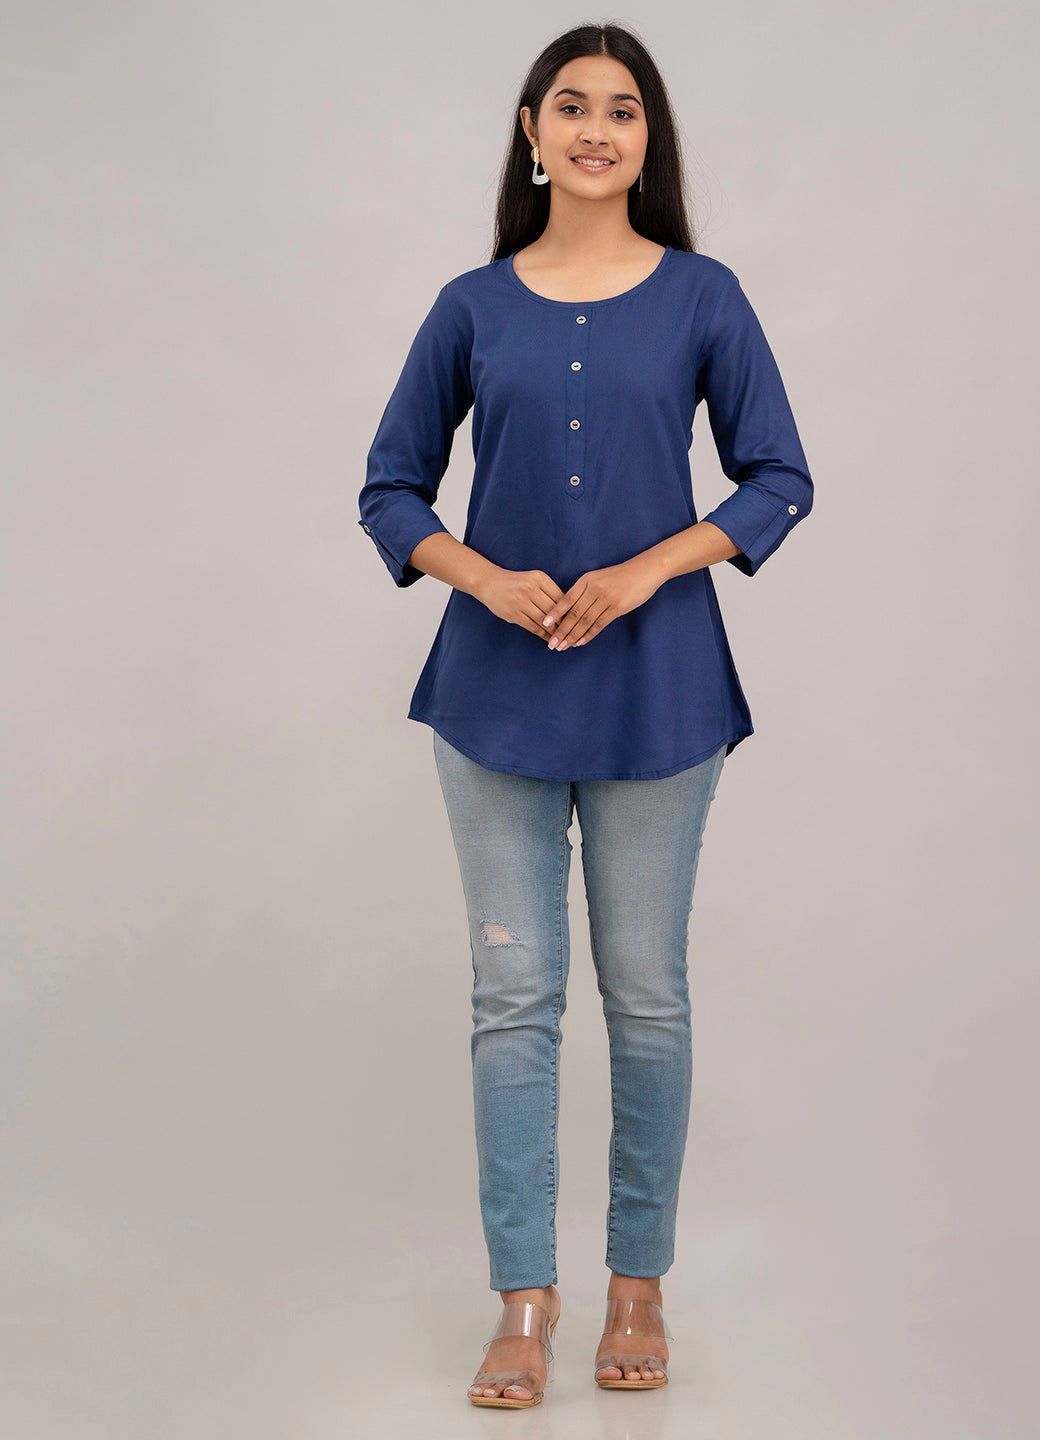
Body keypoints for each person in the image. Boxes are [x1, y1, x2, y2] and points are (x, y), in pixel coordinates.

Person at [358, 21, 813, 1410]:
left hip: (659, 688)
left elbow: (778, 478)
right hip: (492, 695)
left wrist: (643, 571)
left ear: (646, 138)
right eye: (572, 106)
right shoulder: (470, 307)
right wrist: (485, 578)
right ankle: (523, 1299)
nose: (597, 129)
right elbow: (389, 488)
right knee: (513, 1000)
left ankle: (636, 1287)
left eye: (623, 109)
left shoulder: (704, 297)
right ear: (532, 131)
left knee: (648, 997)